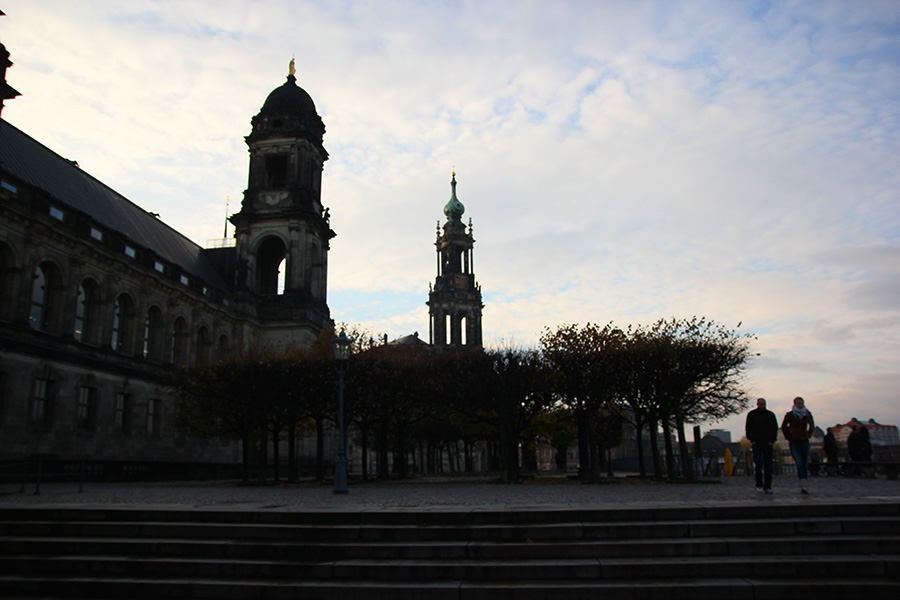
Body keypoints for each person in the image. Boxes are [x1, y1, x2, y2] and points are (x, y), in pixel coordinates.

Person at [781, 396, 815, 494]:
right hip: (794, 441)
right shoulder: (790, 415)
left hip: (804, 440)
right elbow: (784, 427)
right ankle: (803, 483)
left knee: (804, 462)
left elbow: (811, 426)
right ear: (795, 404)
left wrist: (808, 435)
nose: (800, 405)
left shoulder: (807, 414)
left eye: (801, 403)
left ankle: (804, 481)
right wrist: (789, 436)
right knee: (799, 462)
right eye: (798, 403)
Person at [745, 398, 778, 494]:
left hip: (767, 442)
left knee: (768, 465)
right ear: (757, 404)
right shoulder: (752, 415)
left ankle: (767, 485)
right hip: (757, 443)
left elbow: (774, 428)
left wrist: (772, 440)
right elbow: (748, 428)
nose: (763, 406)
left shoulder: (770, 415)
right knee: (758, 464)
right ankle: (759, 483)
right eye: (761, 404)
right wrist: (752, 440)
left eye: (764, 404)